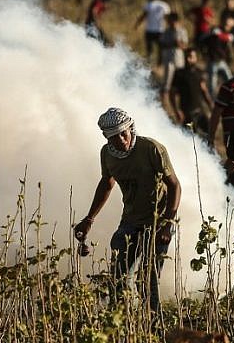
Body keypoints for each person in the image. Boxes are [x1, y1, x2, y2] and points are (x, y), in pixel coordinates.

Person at [74, 108, 181, 316]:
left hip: (158, 222)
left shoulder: (151, 148)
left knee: (148, 281)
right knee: (119, 278)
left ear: (130, 129)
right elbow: (107, 183)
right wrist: (89, 219)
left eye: (124, 133)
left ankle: (153, 326)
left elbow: (175, 185)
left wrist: (168, 223)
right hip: (131, 221)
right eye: (114, 137)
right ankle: (124, 324)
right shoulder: (107, 155)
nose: (121, 139)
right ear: (106, 138)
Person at [169, 48, 213, 134]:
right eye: (186, 57)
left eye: (191, 57)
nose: (188, 59)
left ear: (196, 58)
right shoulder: (179, 74)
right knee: (190, 139)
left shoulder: (199, 73)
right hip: (186, 114)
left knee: (209, 134)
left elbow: (204, 91)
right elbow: (172, 94)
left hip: (199, 111)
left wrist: (211, 106)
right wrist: (177, 110)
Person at [134, 0, 170, 66]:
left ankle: (149, 63)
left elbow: (143, 16)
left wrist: (137, 24)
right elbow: (168, 18)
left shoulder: (149, 4)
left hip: (150, 30)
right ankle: (159, 64)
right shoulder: (164, 5)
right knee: (160, 49)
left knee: (150, 49)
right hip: (160, 30)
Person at [203, 18, 234, 96]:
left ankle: (232, 97)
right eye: (225, 24)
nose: (226, 26)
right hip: (213, 61)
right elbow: (205, 38)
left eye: (228, 25)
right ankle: (213, 101)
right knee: (212, 85)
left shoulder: (228, 35)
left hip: (221, 61)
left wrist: (218, 35)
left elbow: (227, 37)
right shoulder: (215, 30)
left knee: (230, 81)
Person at [159, 12, 188, 95]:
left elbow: (185, 45)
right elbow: (161, 44)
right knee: (167, 82)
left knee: (179, 82)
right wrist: (171, 44)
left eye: (171, 20)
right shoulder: (166, 31)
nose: (169, 22)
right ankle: (165, 98)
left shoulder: (182, 31)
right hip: (168, 60)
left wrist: (179, 44)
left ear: (176, 21)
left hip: (179, 61)